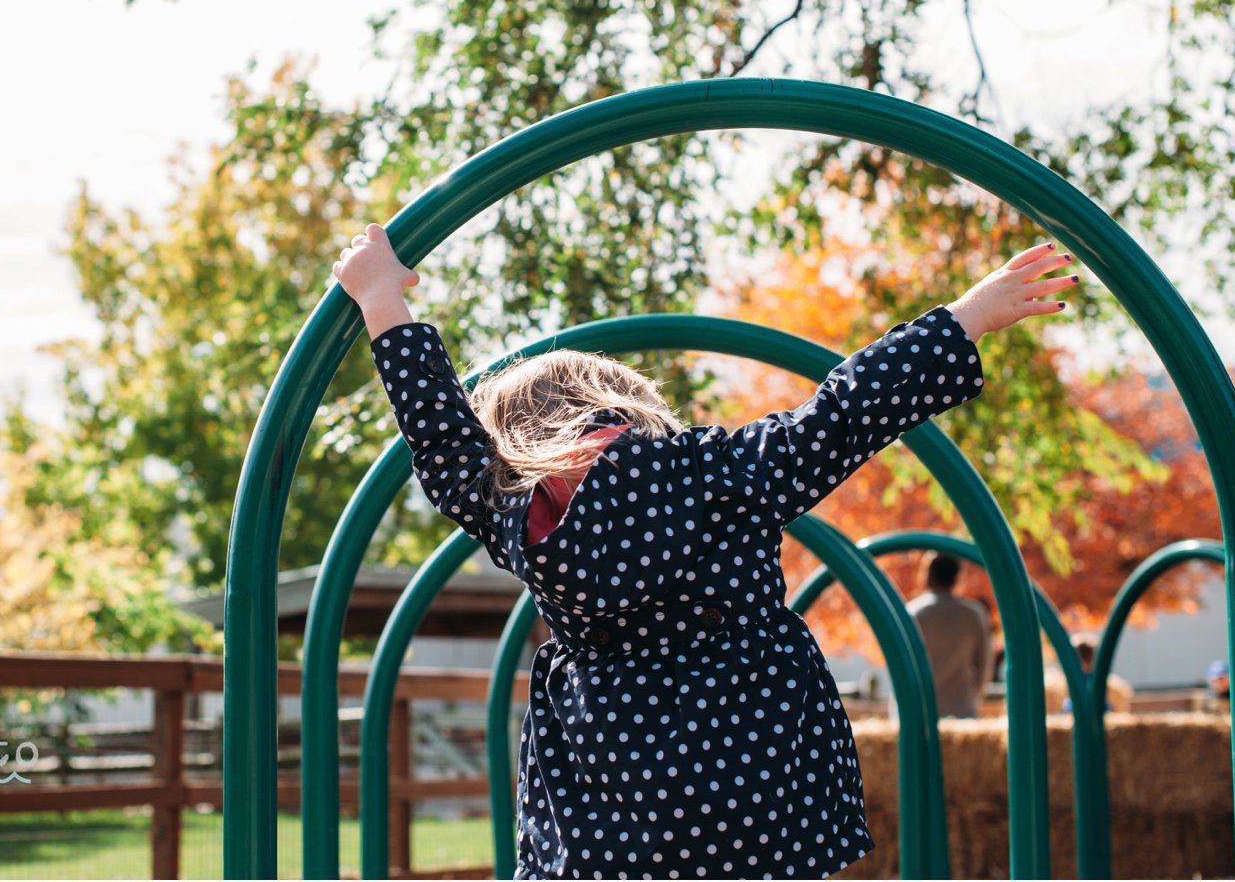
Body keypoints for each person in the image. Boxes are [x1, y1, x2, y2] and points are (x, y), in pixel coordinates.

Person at [334, 225, 1079, 879]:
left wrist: (380, 298)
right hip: (753, 794)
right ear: (627, 404)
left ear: (515, 443)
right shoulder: (720, 469)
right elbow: (844, 413)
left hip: (610, 819)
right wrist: (969, 315)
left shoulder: (520, 510)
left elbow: (440, 437)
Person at [905, 553, 993, 719]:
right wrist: (976, 695)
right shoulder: (973, 614)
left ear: (928, 575)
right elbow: (984, 663)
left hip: (918, 708)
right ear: (956, 577)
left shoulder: (912, 612)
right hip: (961, 707)